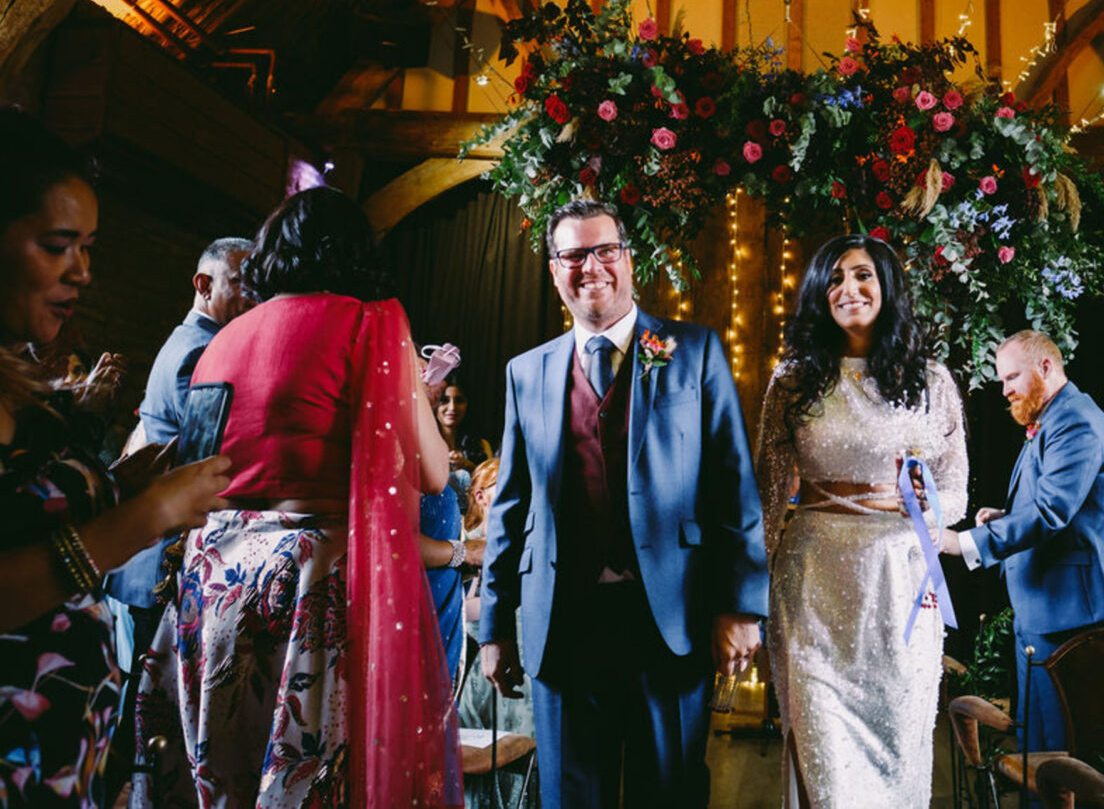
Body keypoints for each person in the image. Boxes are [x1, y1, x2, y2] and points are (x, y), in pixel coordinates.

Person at [132, 187, 461, 808]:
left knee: (225, 769)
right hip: (312, 582)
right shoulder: (372, 321)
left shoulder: (223, 340)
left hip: (215, 576)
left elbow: (205, 466)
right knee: (309, 780)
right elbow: (435, 473)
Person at [477, 199, 768, 808]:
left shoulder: (695, 351)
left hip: (670, 615)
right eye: (574, 255)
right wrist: (495, 628)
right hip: (562, 621)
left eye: (605, 250)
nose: (592, 267)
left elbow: (731, 485)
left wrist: (741, 605)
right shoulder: (525, 373)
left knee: (671, 793)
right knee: (569, 797)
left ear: (628, 259)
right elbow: (510, 509)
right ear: (554, 270)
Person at [0, 109, 231, 807]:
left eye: (88, 247)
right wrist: (147, 515)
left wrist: (118, 486)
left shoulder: (15, 374)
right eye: (57, 245)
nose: (84, 271)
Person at [756, 233, 969, 808]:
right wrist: (748, 602)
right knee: (826, 767)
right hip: (812, 593)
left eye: (863, 276)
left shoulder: (932, 382)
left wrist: (927, 508)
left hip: (898, 586)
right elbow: (767, 499)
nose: (848, 289)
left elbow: (956, 488)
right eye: (834, 280)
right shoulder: (794, 381)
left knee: (900, 761)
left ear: (888, 286)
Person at [937, 330, 1104, 756]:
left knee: (1061, 757)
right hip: (1048, 611)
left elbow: (1052, 512)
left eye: (1012, 377)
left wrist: (964, 543)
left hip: (1072, 617)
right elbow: (1062, 507)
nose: (1006, 390)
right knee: (1037, 751)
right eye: (1001, 381)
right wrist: (1007, 517)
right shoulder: (1054, 417)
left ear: (1046, 367)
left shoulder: (1076, 421)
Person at [104, 236, 253, 789]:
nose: (251, 296)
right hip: (160, 556)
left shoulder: (194, 341)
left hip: (158, 552)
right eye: (241, 283)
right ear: (203, 284)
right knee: (139, 721)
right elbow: (206, 459)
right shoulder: (199, 350)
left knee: (140, 714)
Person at [418, 374, 485, 689]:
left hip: (470, 531)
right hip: (434, 545)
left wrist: (470, 465)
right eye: (444, 399)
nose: (451, 407)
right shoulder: (419, 438)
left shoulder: (477, 445)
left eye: (459, 399)